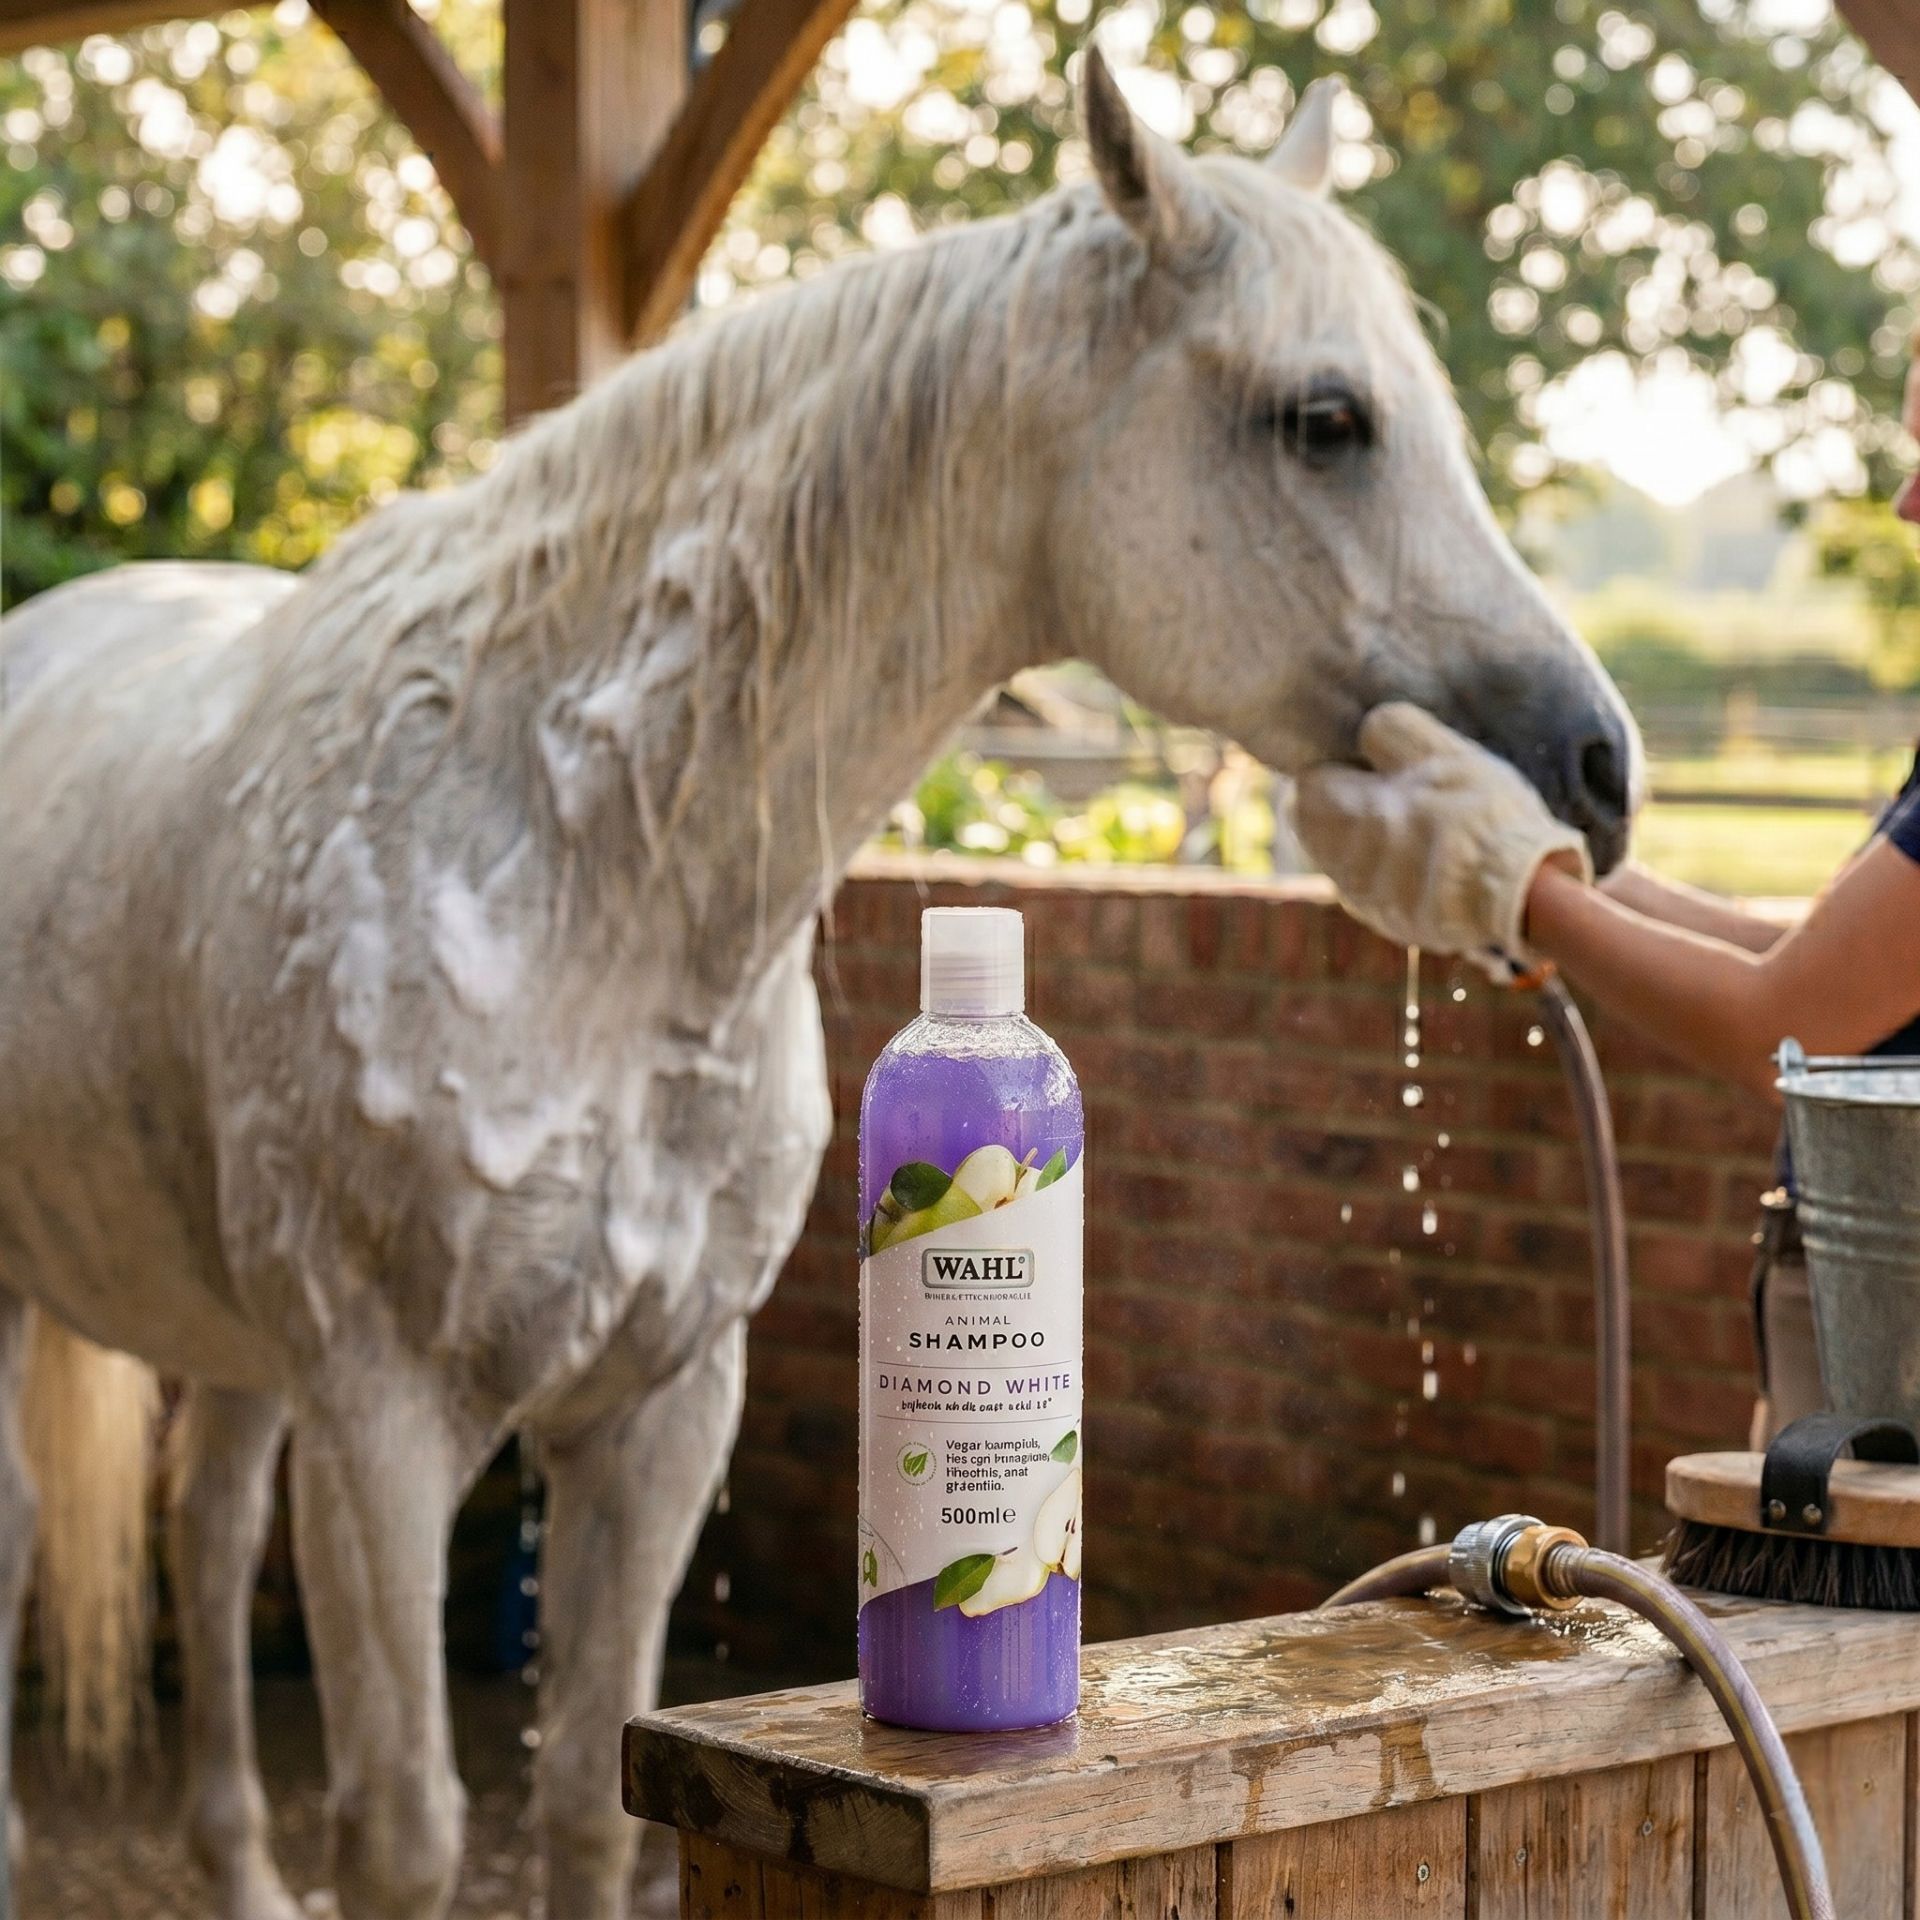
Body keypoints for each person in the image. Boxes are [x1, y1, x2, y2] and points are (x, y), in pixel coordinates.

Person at [1293, 344, 1920, 1446]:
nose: (1907, 504)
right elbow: (1835, 971)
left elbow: (1786, 1025)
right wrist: (1576, 875)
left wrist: (1519, 891)